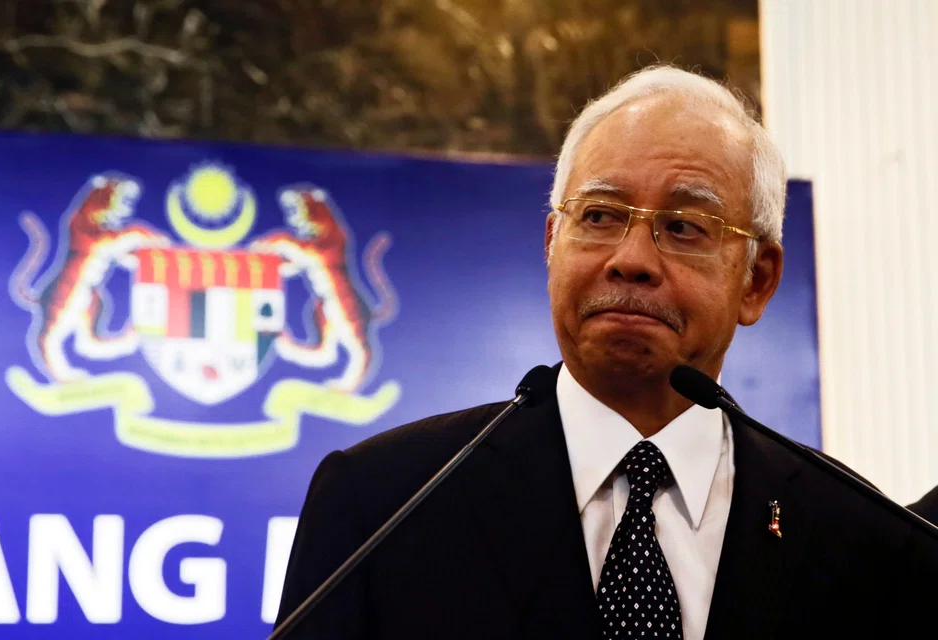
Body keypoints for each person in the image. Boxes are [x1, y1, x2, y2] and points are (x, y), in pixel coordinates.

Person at [273, 65, 938, 639]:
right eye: (598, 216)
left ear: (757, 280)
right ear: (551, 245)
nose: (631, 259)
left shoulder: (863, 537)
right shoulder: (381, 503)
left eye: (684, 226)